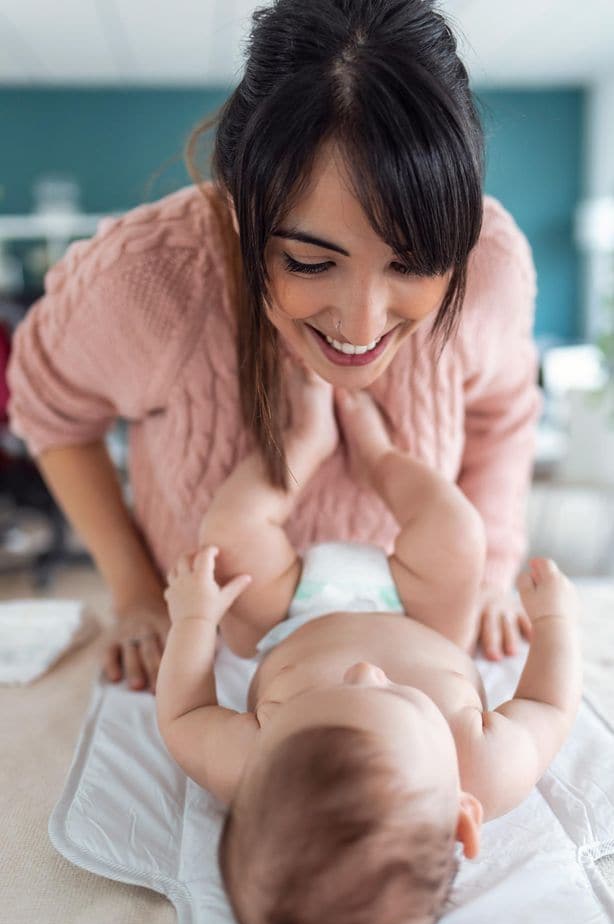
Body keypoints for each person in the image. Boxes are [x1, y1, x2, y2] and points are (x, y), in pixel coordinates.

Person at [7, 0, 540, 692]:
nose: (360, 326)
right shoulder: (145, 281)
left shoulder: (490, 263)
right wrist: (136, 591)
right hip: (222, 644)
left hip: (410, 651)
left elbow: (503, 415)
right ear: (241, 207)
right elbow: (52, 411)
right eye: (312, 263)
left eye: (410, 265)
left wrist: (494, 573)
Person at [155, 364, 581, 924]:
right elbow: (548, 703)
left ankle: (305, 443)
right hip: (424, 611)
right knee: (458, 531)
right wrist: (556, 624)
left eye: (328, 695)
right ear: (464, 817)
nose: (363, 671)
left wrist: (194, 619)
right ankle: (381, 458)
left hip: (284, 613)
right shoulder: (489, 768)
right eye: (397, 697)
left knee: (229, 533)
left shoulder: (253, 767)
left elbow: (183, 715)